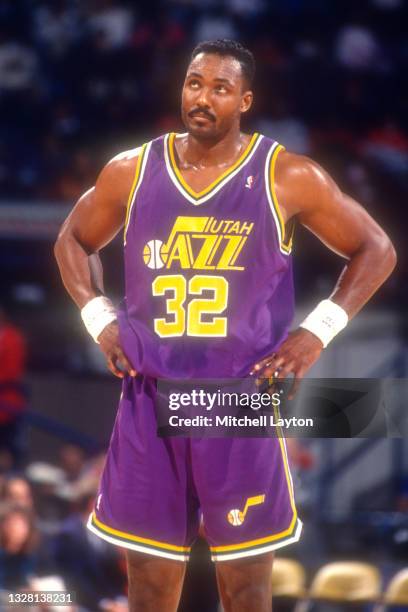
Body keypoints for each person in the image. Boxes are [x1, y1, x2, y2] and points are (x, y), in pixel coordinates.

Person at [54, 39, 396, 612]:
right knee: (149, 587)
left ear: (245, 100)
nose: (203, 98)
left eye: (219, 88)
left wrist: (316, 333)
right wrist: (97, 316)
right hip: (150, 396)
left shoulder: (285, 174)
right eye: (194, 83)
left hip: (236, 402)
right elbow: (73, 239)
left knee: (245, 589)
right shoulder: (132, 170)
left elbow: (376, 248)